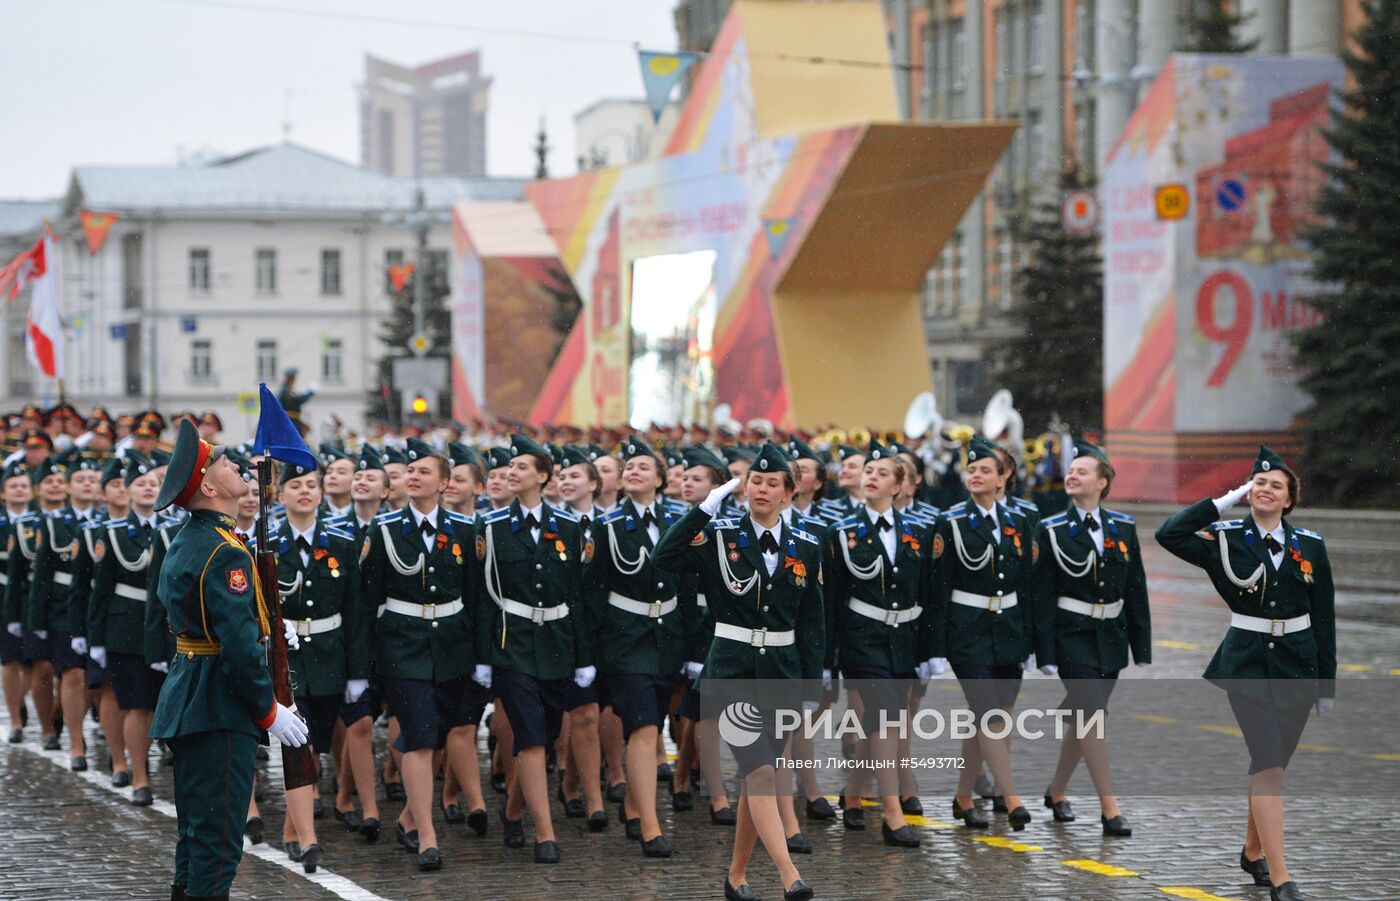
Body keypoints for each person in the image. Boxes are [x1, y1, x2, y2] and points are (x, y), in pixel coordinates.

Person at [1155, 445, 1333, 901]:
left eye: (1276, 485)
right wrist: (1222, 501)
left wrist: (1326, 684)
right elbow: (1169, 534)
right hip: (1247, 664)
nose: (1266, 489)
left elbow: (1323, 617)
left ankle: (1253, 851)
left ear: (1289, 499)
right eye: (1258, 482)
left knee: (1271, 766)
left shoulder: (1310, 544)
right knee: (1268, 761)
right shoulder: (1225, 536)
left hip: (1298, 663)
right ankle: (1281, 876)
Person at [653, 441, 822, 901]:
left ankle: (736, 876)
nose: (761, 489)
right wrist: (704, 509)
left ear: (789, 493)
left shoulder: (808, 545)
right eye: (755, 481)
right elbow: (663, 558)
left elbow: (812, 620)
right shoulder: (720, 535)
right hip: (730, 669)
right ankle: (790, 875)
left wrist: (811, 683)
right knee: (760, 771)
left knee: (757, 777)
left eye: (772, 483)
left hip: (782, 672)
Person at [149, 417, 309, 901]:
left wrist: (268, 627)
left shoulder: (198, 538)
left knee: (197, 837)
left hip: (194, 698)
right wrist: (269, 711)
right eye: (222, 462)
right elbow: (236, 649)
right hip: (218, 707)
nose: (235, 464)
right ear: (208, 487)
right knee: (218, 846)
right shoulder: (224, 551)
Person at [361, 437, 482, 871]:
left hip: (451, 646)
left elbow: (475, 598)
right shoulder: (385, 529)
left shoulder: (466, 530)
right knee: (419, 734)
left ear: (445, 483)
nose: (413, 476)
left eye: (423, 471)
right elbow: (367, 598)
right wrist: (366, 662)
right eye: (410, 471)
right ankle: (427, 836)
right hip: (403, 646)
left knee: (438, 732)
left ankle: (409, 817)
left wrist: (480, 655)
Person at [475, 433, 593, 864]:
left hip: (557, 644)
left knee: (548, 735)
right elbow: (483, 597)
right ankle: (545, 833)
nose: (512, 472)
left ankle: (512, 811)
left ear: (543, 477)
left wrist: (584, 658)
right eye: (510, 467)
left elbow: (577, 596)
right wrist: (483, 657)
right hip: (513, 645)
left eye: (522, 467)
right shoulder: (491, 526)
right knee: (530, 736)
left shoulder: (569, 527)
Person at [1033, 440, 1150, 837]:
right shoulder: (1051, 529)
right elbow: (1041, 596)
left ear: (1103, 482)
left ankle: (1057, 790)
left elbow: (1135, 588)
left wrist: (1141, 644)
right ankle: (1110, 809)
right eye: (1070, 471)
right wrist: (1044, 652)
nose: (1072, 476)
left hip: (1110, 637)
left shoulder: (1123, 527)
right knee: (1093, 717)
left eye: (1082, 472)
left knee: (1083, 720)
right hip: (1071, 636)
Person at [828, 441, 935, 848]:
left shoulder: (918, 532)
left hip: (903, 641)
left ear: (899, 486)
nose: (871, 477)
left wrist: (929, 651)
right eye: (868, 471)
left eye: (882, 473)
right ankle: (893, 815)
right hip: (861, 639)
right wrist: (828, 657)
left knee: (879, 722)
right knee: (888, 718)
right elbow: (831, 599)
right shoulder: (842, 532)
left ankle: (854, 793)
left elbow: (926, 594)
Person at [586, 437, 686, 858]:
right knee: (644, 728)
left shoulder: (679, 520)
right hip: (625, 640)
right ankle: (650, 826)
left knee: (653, 723)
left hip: (667, 639)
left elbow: (689, 585)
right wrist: (589, 655)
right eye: (629, 467)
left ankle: (632, 805)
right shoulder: (607, 525)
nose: (633, 472)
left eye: (644, 467)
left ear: (660, 479)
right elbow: (592, 592)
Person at [930, 435, 1036, 831]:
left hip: (1008, 631)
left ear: (1002, 478)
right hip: (968, 632)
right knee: (990, 714)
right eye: (971, 469)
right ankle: (1012, 797)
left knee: (994, 718)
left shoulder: (1019, 521)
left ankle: (963, 796)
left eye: (984, 470)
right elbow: (938, 587)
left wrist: (1032, 640)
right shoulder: (951, 522)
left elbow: (1026, 584)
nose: (975, 475)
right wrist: (936, 646)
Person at [270, 461, 369, 870]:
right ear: (280, 496)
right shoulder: (267, 544)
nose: (305, 492)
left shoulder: (342, 542)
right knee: (299, 744)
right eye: (296, 486)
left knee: (319, 742)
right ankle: (306, 837)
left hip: (330, 655)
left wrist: (358, 671)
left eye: (312, 485)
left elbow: (355, 610)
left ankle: (291, 829)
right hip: (288, 658)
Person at [89, 454, 167, 804]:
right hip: (127, 630)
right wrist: (95, 639)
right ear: (129, 492)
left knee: (164, 704)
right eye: (141, 484)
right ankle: (138, 776)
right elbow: (100, 591)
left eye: (154, 483)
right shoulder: (114, 533)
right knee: (137, 706)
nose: (148, 488)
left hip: (166, 628)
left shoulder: (174, 529)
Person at [669, 445, 736, 826]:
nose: (687, 483)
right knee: (692, 709)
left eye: (697, 479)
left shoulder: (730, 526)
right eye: (685, 477)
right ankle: (684, 775)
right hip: (683, 623)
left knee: (706, 708)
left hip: (717, 625)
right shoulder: (678, 521)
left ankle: (699, 781)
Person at [552, 445, 608, 830]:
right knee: (579, 713)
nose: (567, 481)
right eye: (562, 476)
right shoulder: (551, 523)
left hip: (605, 632)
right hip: (563, 631)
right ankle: (592, 799)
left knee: (591, 714)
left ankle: (574, 785)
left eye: (575, 475)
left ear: (593, 484)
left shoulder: (611, 524)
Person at [13, 453, 70, 752]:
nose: (55, 485)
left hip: (68, 600)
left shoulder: (77, 521)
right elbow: (16, 573)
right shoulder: (27, 524)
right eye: (49, 481)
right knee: (43, 668)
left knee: (71, 670)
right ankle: (47, 728)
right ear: (38, 488)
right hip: (33, 601)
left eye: (60, 480)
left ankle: (61, 712)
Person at [1, 461, 33, 744]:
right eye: (14, 486)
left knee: (33, 662)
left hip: (34, 597)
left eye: (24, 485)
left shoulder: (39, 522)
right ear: (3, 493)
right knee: (10, 659)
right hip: (3, 598)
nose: (19, 490)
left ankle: (21, 699)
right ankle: (14, 718)